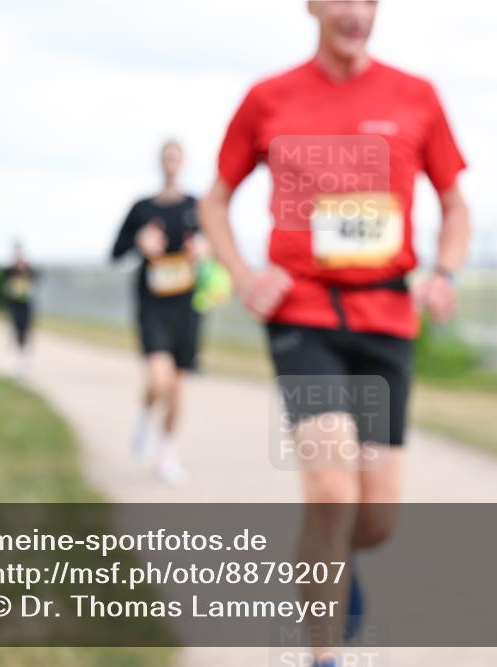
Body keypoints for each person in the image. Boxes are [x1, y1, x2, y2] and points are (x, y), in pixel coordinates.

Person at [199, 1, 470, 662]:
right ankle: (325, 654)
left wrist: (446, 273)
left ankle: (336, 554)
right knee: (330, 486)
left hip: (385, 321)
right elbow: (215, 199)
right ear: (313, 7)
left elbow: (455, 200)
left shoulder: (416, 96)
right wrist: (241, 274)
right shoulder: (269, 98)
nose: (355, 11)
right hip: (304, 316)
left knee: (373, 519)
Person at [112, 139, 207, 486]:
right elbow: (115, 251)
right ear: (160, 161)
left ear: (183, 161)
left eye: (176, 156)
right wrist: (139, 240)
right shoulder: (141, 208)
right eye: (166, 155)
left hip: (187, 305)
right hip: (152, 304)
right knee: (159, 378)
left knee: (178, 387)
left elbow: (216, 249)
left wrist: (203, 249)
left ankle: (166, 452)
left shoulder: (197, 207)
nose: (171, 161)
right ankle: (145, 416)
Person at [2, 242, 38, 378]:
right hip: (14, 304)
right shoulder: (9, 270)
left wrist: (25, 270)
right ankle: (17, 355)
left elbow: (35, 277)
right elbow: (5, 279)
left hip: (26, 303)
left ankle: (23, 354)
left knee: (25, 329)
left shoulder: (29, 268)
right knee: (16, 328)